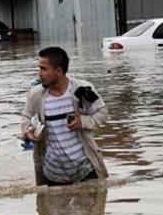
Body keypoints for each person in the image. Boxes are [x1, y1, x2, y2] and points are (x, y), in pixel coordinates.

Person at [21, 46, 108, 186]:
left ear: (58, 71)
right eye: (39, 68)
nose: (39, 73)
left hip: (86, 170)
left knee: (94, 207)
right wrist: (29, 133)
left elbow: (102, 113)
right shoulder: (35, 95)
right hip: (53, 174)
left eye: (44, 69)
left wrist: (83, 121)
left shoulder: (81, 89)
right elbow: (26, 117)